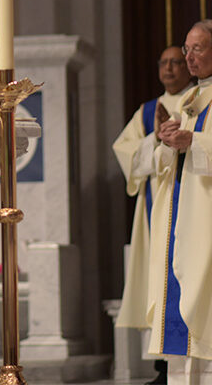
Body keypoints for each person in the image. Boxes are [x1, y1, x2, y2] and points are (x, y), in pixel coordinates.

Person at [113, 46, 193, 332]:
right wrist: (155, 138)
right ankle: (163, 364)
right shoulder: (147, 111)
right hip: (156, 202)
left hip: (192, 198)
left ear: (189, 66)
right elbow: (125, 153)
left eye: (177, 62)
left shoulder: (197, 101)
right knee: (159, 274)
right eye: (164, 63)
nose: (169, 68)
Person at [148, 20, 212, 364]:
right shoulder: (189, 99)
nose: (188, 57)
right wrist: (168, 141)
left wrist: (195, 142)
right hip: (181, 219)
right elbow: (164, 164)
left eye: (197, 48)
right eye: (186, 49)